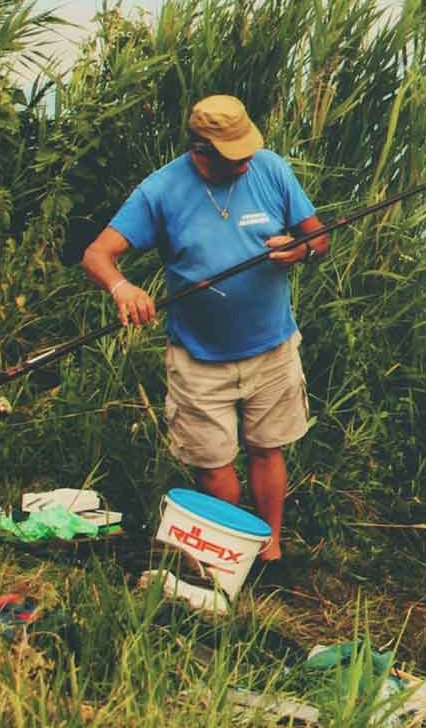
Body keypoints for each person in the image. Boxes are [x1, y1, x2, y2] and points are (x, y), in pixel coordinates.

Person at [81, 95, 325, 568]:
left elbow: (319, 236)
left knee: (267, 448)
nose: (246, 161)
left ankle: (270, 549)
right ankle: (225, 556)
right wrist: (122, 287)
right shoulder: (161, 190)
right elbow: (97, 254)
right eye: (235, 154)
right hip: (198, 356)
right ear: (201, 150)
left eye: (248, 148)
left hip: (272, 345)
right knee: (214, 467)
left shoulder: (270, 169)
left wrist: (302, 250)